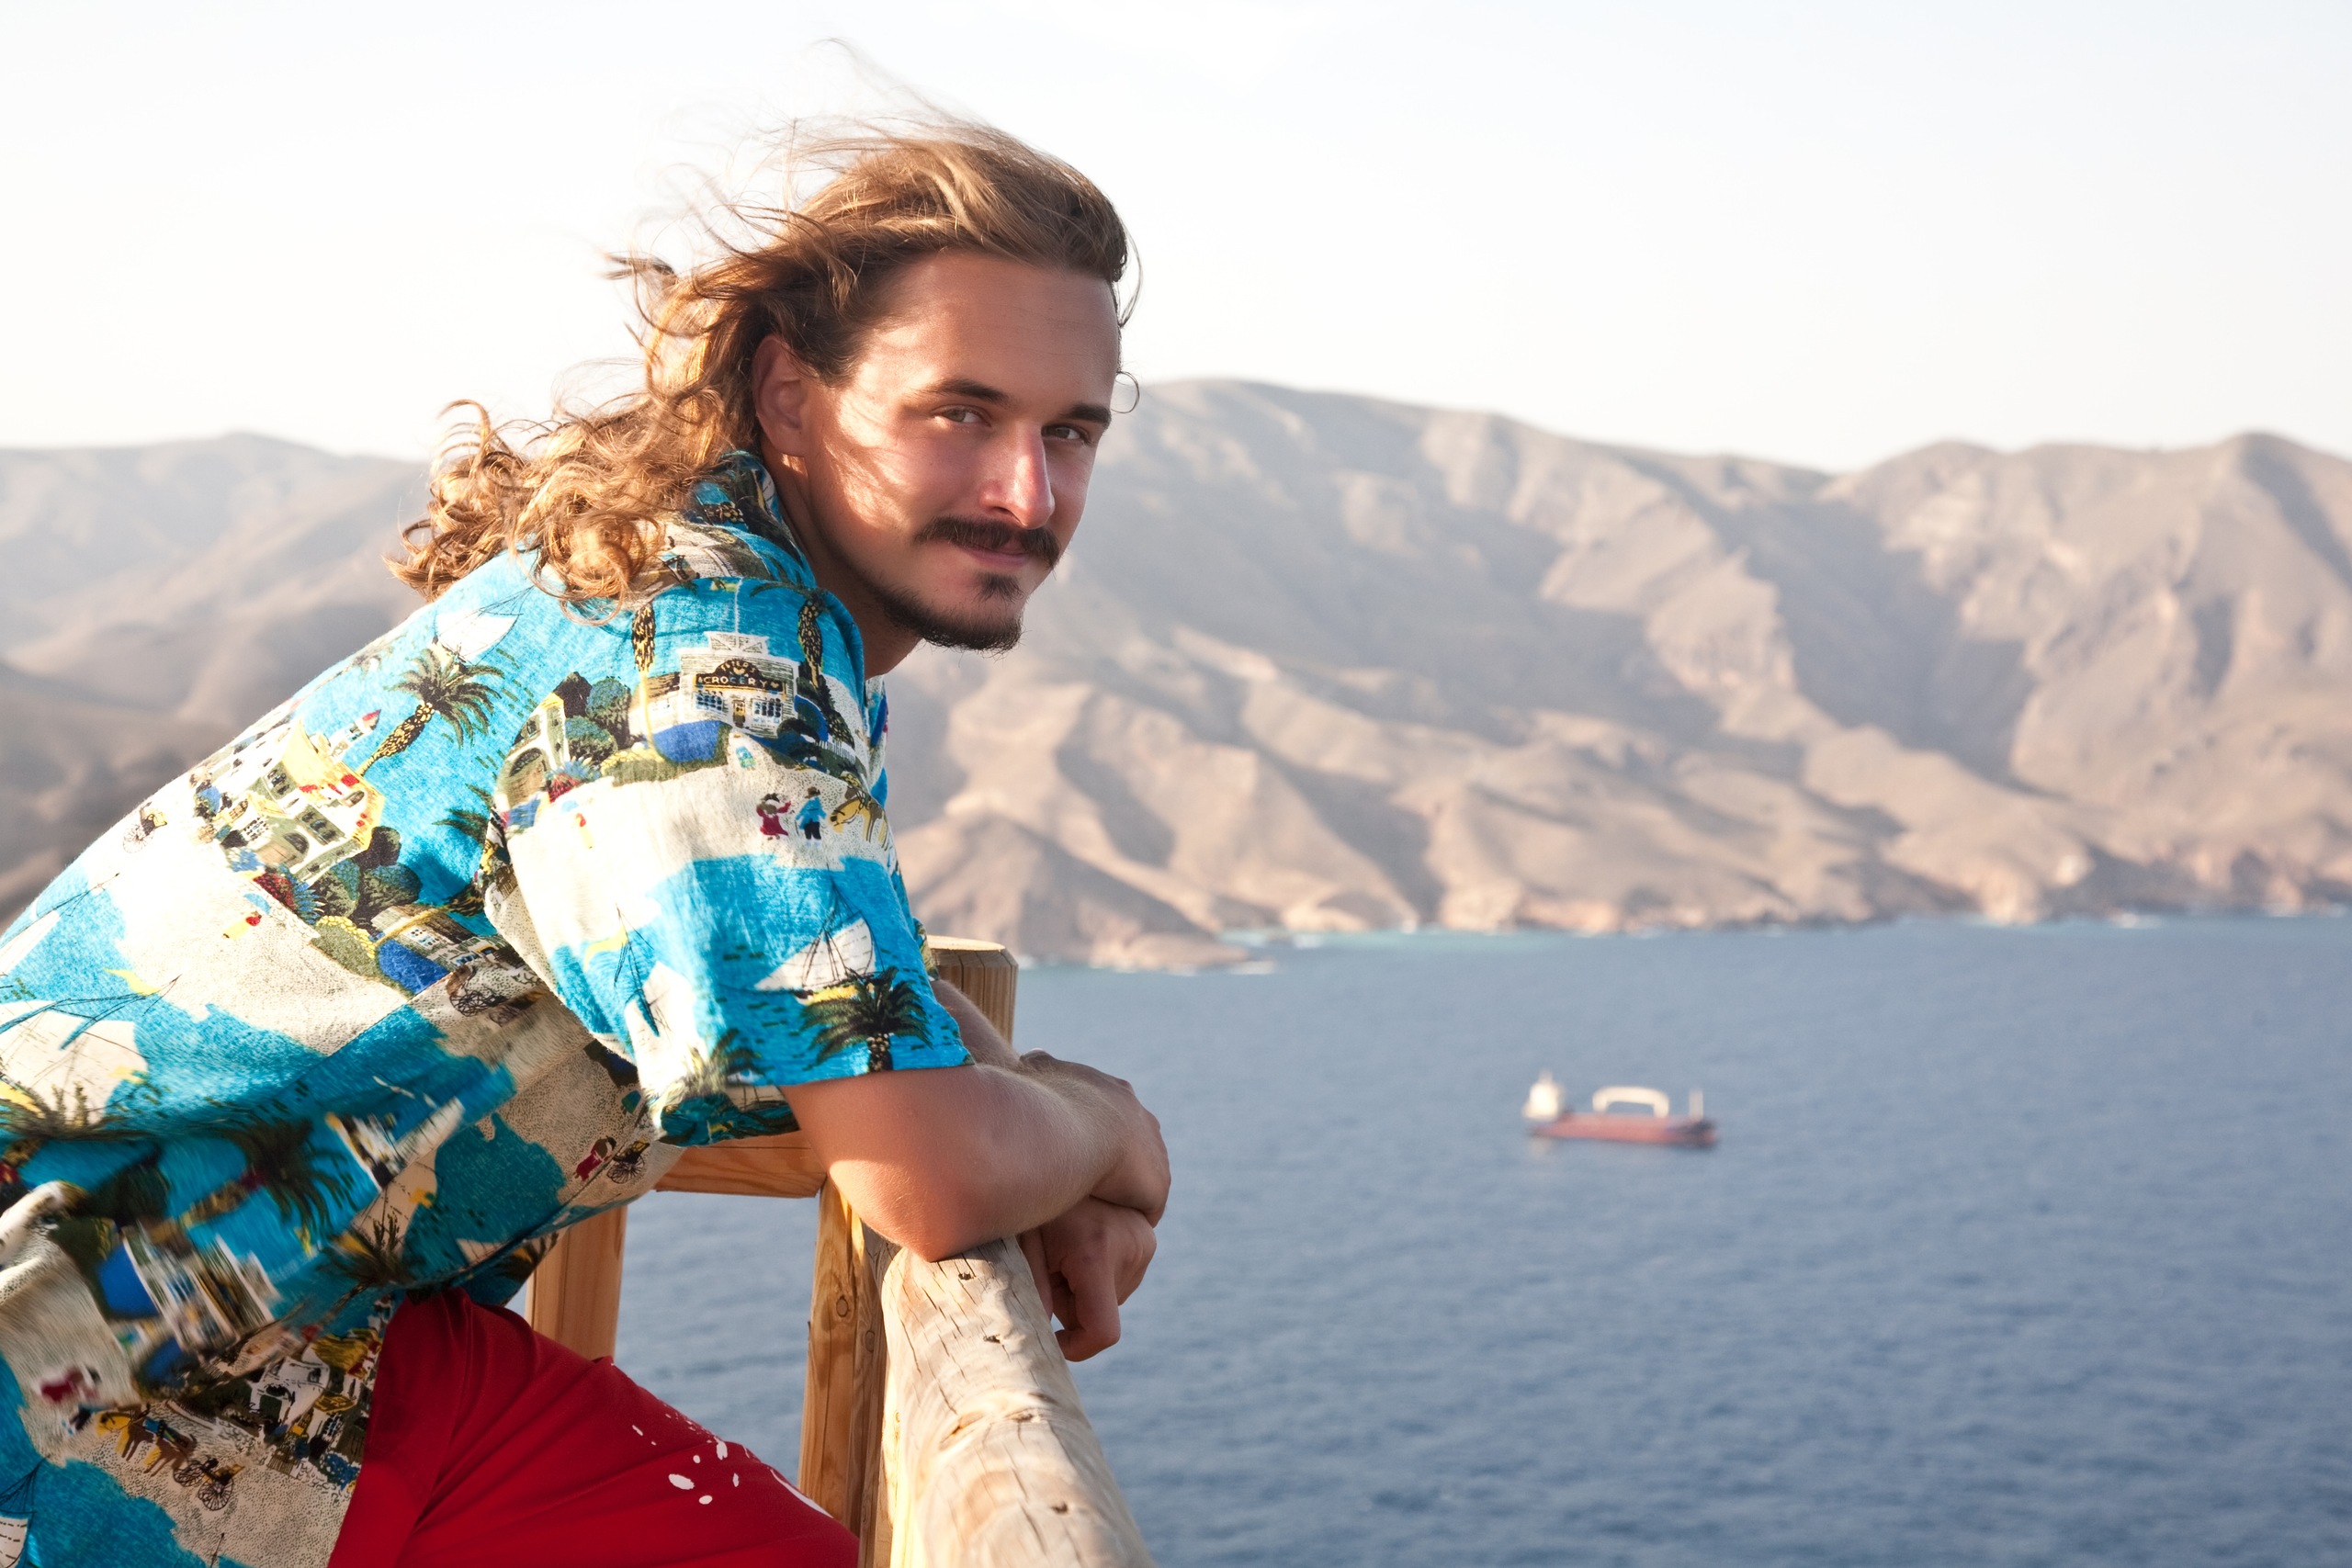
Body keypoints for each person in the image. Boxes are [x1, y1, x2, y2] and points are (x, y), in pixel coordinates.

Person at [0, 119, 1167, 1568]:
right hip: (92, 1352)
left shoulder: (731, 587)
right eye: (960, 414)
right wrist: (1115, 1134)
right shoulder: (713, 677)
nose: (1027, 495)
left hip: (276, 1317)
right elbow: (917, 1173)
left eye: (1069, 432)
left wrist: (1033, 1118)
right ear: (790, 393)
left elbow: (845, 997)